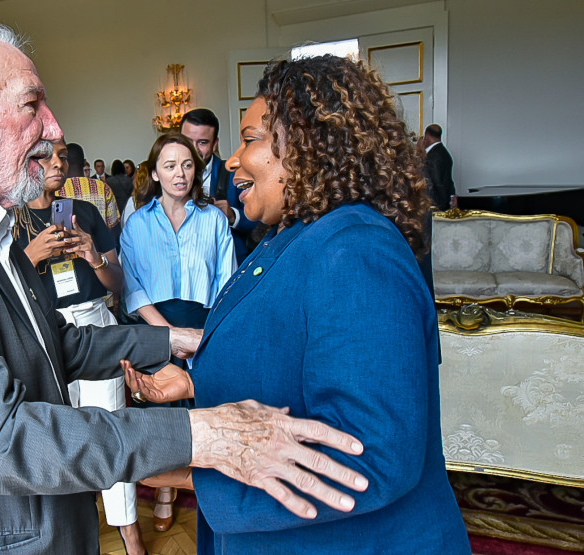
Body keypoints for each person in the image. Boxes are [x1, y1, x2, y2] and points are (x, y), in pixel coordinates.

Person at [0, 23, 368, 555]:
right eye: (32, 105)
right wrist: (204, 435)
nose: (53, 127)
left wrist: (176, 340)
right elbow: (2, 440)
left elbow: (56, 346)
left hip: (46, 522)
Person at [124, 55, 471, 554]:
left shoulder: (356, 250)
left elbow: (372, 451)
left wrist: (193, 467)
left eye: (250, 139)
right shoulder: (288, 237)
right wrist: (199, 382)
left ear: (307, 143)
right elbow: (290, 361)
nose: (232, 160)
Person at [13, 138, 147, 555]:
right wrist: (30, 257)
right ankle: (74, 527)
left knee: (112, 426)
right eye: (48, 157)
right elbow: (7, 294)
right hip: (45, 333)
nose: (59, 162)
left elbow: (118, 283)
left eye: (62, 157)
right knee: (59, 434)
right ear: (27, 162)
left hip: (94, 322)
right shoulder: (10, 225)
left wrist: (94, 257)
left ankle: (129, 532)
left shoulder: (85, 212)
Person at [119, 132, 236, 531]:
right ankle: (167, 489)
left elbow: (227, 282)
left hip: (205, 327)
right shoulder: (137, 223)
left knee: (203, 412)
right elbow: (132, 287)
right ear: (155, 172)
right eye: (170, 165)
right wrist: (169, 334)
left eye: (187, 165)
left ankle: (208, 495)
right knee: (161, 415)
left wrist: (205, 335)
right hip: (155, 327)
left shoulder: (214, 219)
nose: (180, 173)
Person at [180, 108, 258, 262]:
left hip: (229, 265)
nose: (193, 149)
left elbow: (259, 220)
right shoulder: (165, 176)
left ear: (215, 144)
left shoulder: (234, 173)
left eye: (202, 142)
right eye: (188, 141)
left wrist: (232, 215)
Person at [60, 142, 122, 244]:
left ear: (63, 162)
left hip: (68, 252)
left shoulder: (57, 190)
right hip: (100, 251)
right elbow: (114, 226)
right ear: (84, 163)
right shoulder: (103, 188)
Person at [422, 123, 456, 209]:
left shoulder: (433, 157)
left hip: (436, 205)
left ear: (426, 135)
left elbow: (437, 183)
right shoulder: (444, 153)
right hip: (445, 202)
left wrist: (439, 206)